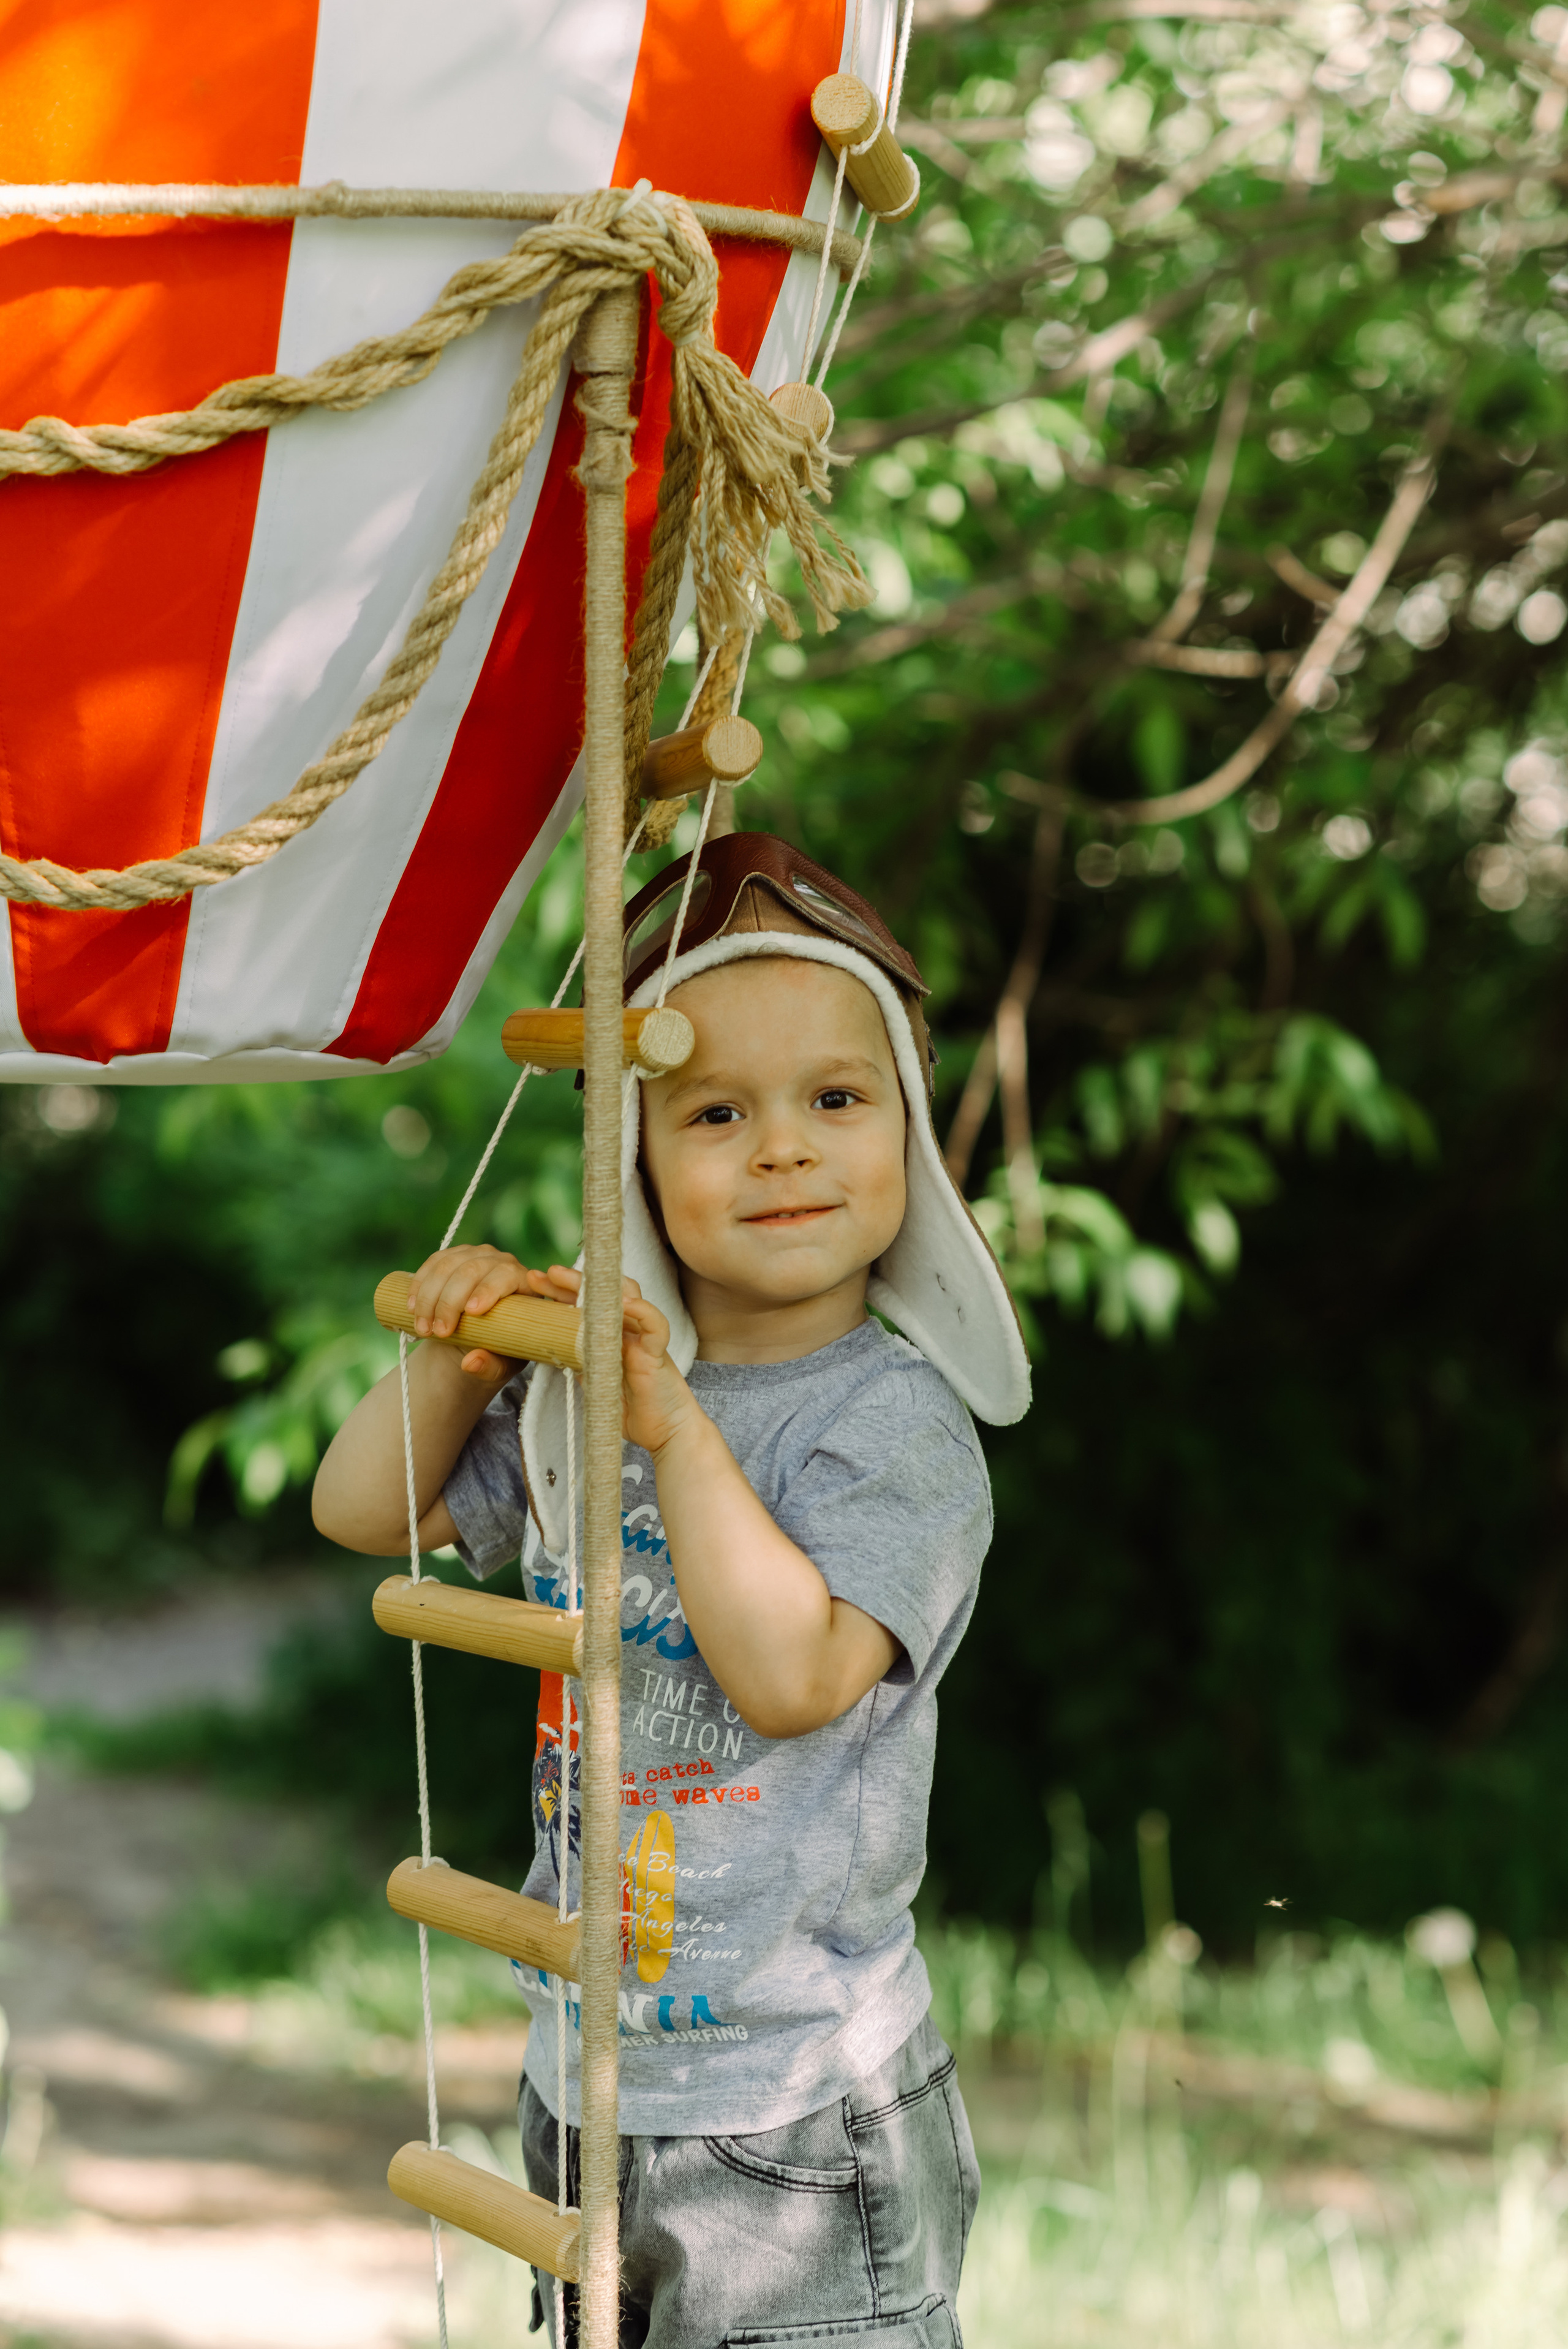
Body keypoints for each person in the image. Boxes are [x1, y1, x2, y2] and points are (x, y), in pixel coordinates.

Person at [313, 832, 1031, 2348]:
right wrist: (467, 1356)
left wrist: (676, 1428)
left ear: (907, 1136)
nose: (781, 1150)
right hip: (585, 2070)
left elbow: (791, 1676)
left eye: (834, 1101)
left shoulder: (893, 1425)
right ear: (635, 1159)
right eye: (715, 1113)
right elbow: (364, 1509)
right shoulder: (592, 1387)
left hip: (796, 2104)